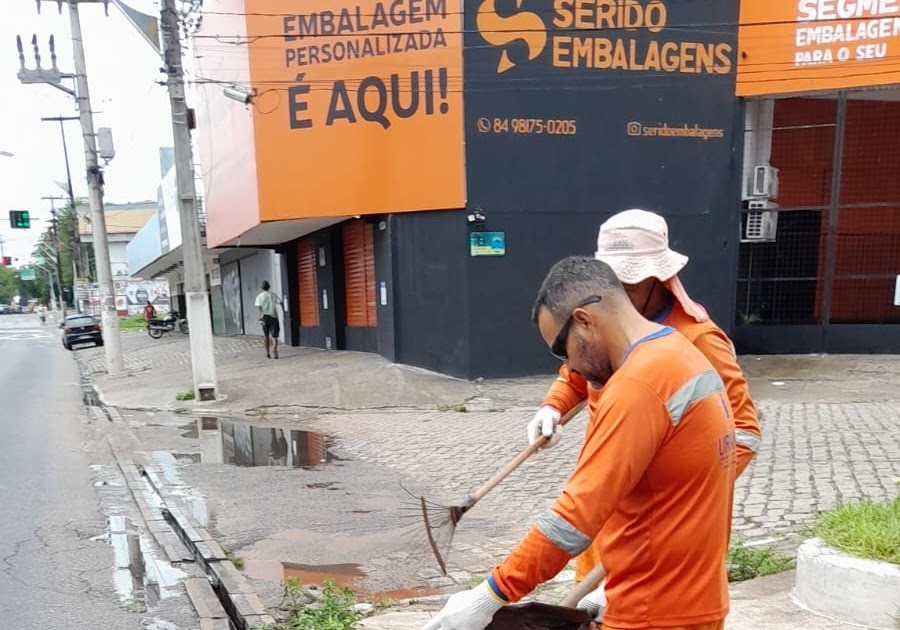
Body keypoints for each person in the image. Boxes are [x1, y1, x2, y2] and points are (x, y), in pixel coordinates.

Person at [424, 256, 737, 630]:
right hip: (690, 599)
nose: (570, 368)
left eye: (562, 350)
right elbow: (676, 495)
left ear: (584, 320)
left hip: (652, 614)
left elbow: (573, 520)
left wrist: (488, 595)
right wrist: (616, 581)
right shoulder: (681, 352)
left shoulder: (639, 386)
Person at [525, 209, 761, 584]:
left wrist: (684, 492)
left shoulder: (698, 339)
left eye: (630, 285)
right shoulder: (603, 322)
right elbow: (577, 373)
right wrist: (552, 406)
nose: (619, 297)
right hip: (607, 501)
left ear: (659, 277)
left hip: (662, 529)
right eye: (612, 284)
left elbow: (744, 431)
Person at [255, 280, 282, 359]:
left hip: (265, 317)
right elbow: (280, 302)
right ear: (269, 287)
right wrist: (284, 314)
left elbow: (259, 308)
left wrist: (259, 318)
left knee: (266, 336)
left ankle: (267, 352)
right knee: (274, 336)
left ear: (262, 287)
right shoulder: (273, 295)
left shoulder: (259, 296)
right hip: (273, 317)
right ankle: (274, 349)